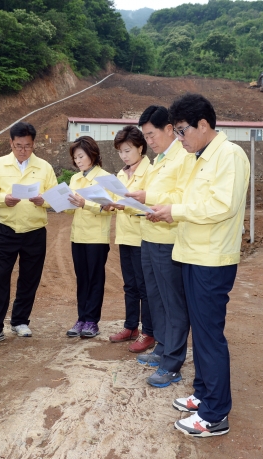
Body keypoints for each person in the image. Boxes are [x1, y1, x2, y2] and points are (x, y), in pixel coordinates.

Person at [149, 93, 250, 437]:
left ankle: (215, 414)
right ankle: (204, 394)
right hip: (191, 253)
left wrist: (174, 211)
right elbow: (189, 200)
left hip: (212, 258)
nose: (179, 139)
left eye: (181, 132)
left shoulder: (230, 156)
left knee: (209, 336)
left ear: (203, 125)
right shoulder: (200, 156)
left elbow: (222, 205)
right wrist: (164, 208)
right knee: (201, 330)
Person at [125, 105, 191, 388]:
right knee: (156, 299)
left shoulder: (183, 158)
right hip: (149, 235)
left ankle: (173, 363)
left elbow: (181, 194)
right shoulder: (161, 159)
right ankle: (163, 348)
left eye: (152, 135)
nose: (149, 141)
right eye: (145, 136)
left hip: (168, 239)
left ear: (168, 129)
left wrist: (147, 195)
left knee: (172, 302)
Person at [0, 122, 58, 347]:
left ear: (34, 144)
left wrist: (45, 200)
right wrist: (4, 199)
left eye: (28, 146)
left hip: (34, 232)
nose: (23, 151)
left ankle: (20, 320)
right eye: (18, 146)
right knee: (1, 279)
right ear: (11, 143)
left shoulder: (44, 167)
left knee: (29, 279)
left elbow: (55, 196)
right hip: (7, 231)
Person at [106, 126, 155, 353]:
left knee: (145, 288)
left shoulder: (151, 172)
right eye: (120, 151)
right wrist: (109, 204)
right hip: (124, 236)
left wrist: (123, 205)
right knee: (129, 285)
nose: (124, 155)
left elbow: (151, 205)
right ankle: (131, 327)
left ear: (140, 148)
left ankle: (149, 332)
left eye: (127, 150)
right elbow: (118, 202)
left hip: (142, 236)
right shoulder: (119, 175)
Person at [64, 136, 113, 339]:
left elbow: (108, 209)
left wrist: (86, 203)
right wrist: (64, 203)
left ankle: (92, 321)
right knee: (82, 279)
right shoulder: (76, 179)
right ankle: (81, 318)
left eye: (81, 156)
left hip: (96, 238)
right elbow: (71, 210)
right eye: (75, 158)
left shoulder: (105, 178)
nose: (78, 161)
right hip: (78, 236)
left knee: (95, 279)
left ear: (92, 154)